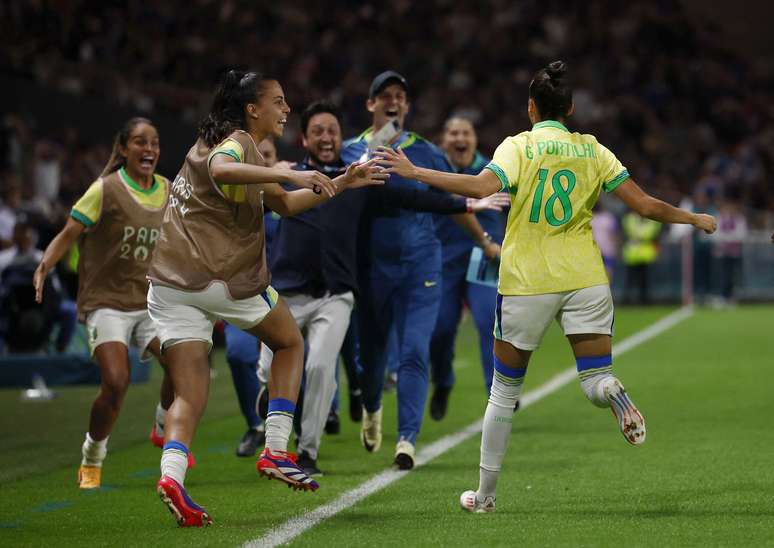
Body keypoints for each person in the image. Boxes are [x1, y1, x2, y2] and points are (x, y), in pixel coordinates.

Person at [376, 60, 716, 513]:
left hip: (527, 281)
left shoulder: (519, 146)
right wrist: (693, 217)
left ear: (531, 108)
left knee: (504, 391)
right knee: (595, 376)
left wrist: (416, 173)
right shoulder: (593, 149)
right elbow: (645, 205)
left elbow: (479, 185)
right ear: (571, 107)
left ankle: (486, 496)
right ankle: (613, 391)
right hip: (585, 279)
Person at [146, 70, 384, 527]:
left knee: (189, 395)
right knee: (290, 343)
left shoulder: (211, 139)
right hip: (220, 278)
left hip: (171, 285)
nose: (286, 109)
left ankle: (172, 477)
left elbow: (287, 204)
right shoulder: (236, 141)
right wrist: (279, 170)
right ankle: (276, 449)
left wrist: (341, 183)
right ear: (252, 109)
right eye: (278, 101)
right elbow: (223, 167)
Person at [342, 71, 502, 470]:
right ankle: (372, 407)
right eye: (384, 96)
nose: (393, 102)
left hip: (421, 263)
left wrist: (480, 234)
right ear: (370, 104)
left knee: (414, 350)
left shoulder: (427, 152)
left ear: (408, 106)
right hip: (372, 266)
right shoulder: (350, 151)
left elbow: (447, 198)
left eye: (400, 96)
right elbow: (373, 191)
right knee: (372, 355)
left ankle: (407, 440)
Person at [32, 117, 179, 489]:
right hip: (107, 302)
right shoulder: (105, 189)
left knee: (183, 362)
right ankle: (92, 457)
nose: (149, 150)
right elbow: (68, 233)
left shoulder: (168, 189)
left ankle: (163, 425)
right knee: (116, 382)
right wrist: (44, 266)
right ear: (124, 149)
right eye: (141, 143)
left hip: (149, 301)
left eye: (155, 143)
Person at [429, 116, 506, 420]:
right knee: (441, 329)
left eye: (466, 133)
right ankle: (444, 382)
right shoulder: (435, 171)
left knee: (489, 320)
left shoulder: (493, 170)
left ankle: (496, 394)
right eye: (453, 133)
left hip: (483, 257)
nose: (460, 138)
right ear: (444, 140)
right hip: (444, 260)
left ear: (474, 139)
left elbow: (515, 208)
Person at [224, 138, 281, 458]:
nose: (260, 163)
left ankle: (297, 429)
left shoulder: (284, 199)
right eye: (254, 158)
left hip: (286, 292)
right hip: (242, 290)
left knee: (300, 356)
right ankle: (254, 424)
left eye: (267, 157)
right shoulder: (234, 200)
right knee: (236, 354)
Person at [622, 211, 661, 304]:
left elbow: (654, 235)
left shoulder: (652, 221)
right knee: (630, 279)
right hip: (632, 254)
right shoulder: (629, 218)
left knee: (645, 279)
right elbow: (626, 232)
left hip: (646, 254)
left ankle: (644, 300)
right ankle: (628, 299)